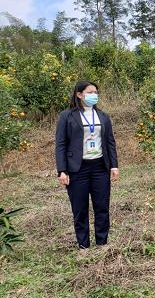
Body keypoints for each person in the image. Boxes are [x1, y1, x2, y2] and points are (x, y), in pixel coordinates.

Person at [55, 81, 119, 250]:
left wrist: (114, 165)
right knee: (80, 209)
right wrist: (62, 170)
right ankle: (83, 245)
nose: (94, 95)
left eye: (96, 92)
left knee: (102, 207)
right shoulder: (67, 116)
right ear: (79, 94)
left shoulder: (103, 116)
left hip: (100, 167)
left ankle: (102, 243)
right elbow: (61, 144)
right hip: (77, 169)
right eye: (90, 92)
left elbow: (110, 142)